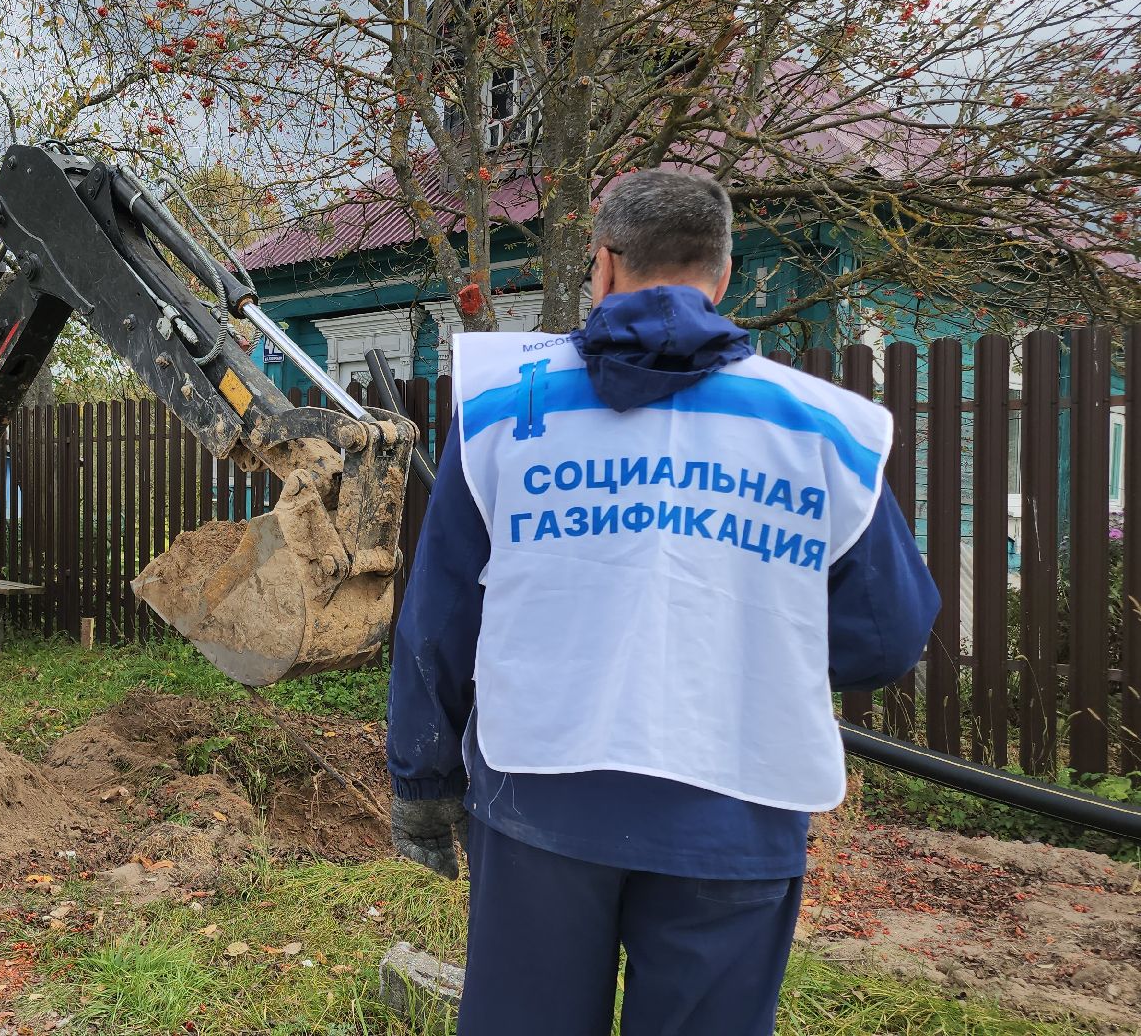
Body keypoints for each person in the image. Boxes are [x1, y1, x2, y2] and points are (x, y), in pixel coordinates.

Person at [386, 169, 938, 1036]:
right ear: (721, 277)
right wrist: (740, 639)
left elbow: (440, 620)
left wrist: (423, 777)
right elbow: (888, 639)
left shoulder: (503, 414)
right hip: (738, 808)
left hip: (542, 797)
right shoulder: (827, 431)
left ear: (601, 267)